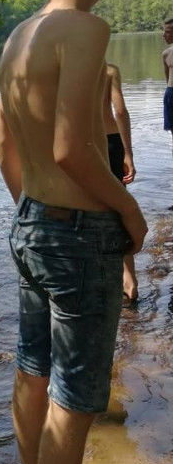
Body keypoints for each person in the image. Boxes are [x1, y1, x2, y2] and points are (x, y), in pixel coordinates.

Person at [0, 0, 147, 464]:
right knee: (76, 394)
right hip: (79, 235)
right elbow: (71, 151)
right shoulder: (85, 30)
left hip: (29, 224)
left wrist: (37, 215)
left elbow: (6, 146)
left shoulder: (17, 37)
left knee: (33, 371)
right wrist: (129, 212)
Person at [103, 62, 138, 300]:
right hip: (111, 140)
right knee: (117, 205)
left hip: (82, 141)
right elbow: (121, 111)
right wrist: (128, 153)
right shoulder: (109, 70)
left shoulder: (67, 68)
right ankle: (129, 278)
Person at [162, 17, 173, 149]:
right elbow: (167, 79)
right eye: (164, 31)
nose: (164, 35)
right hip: (170, 94)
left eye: (168, 32)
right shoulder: (166, 54)